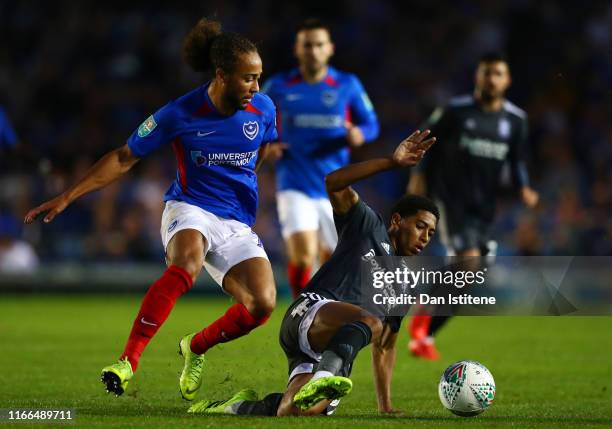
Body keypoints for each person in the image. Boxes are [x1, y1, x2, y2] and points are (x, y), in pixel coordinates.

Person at [24, 18, 278, 400]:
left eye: (259, 78)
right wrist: (68, 196)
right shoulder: (180, 113)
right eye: (247, 79)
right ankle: (127, 361)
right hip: (189, 208)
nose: (255, 88)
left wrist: (244, 186)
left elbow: (265, 149)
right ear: (222, 75)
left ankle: (195, 347)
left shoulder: (263, 109)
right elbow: (125, 157)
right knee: (186, 263)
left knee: (262, 304)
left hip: (236, 221)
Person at [187, 130, 437, 416]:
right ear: (397, 220)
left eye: (430, 233)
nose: (425, 237)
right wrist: (391, 162)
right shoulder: (368, 226)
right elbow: (333, 183)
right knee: (371, 321)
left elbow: (385, 349)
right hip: (309, 312)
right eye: (420, 226)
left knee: (295, 411)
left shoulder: (403, 287)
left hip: (326, 349)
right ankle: (324, 378)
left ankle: (231, 408)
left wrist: (386, 406)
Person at [406, 52, 539, 360]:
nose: (491, 79)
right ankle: (420, 325)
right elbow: (424, 140)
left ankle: (424, 333)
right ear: (477, 77)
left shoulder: (516, 120)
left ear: (507, 81)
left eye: (497, 74)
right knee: (468, 261)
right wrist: (418, 177)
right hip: (451, 200)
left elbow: (517, 160)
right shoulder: (456, 111)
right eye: (486, 73)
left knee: (470, 278)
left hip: (485, 207)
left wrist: (524, 187)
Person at [262, 19, 379, 298]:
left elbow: (371, 124)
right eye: (308, 45)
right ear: (297, 49)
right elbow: (251, 121)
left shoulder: (347, 85)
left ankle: (322, 314)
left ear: (330, 49)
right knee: (303, 257)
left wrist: (359, 135)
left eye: (319, 45)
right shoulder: (278, 86)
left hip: (335, 188)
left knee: (333, 260)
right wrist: (268, 146)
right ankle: (298, 312)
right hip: (294, 184)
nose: (313, 50)